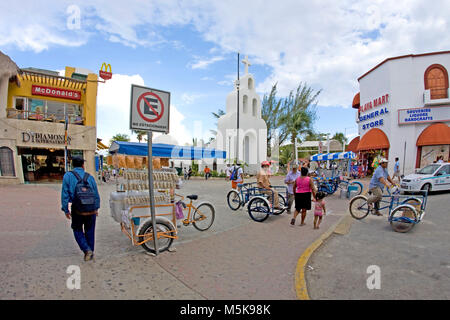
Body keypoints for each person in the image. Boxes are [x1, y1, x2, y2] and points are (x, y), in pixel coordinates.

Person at [61, 156, 100, 261]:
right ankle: (90, 252)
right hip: (91, 209)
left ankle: (86, 249)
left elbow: (65, 194)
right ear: (83, 165)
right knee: (90, 231)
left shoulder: (68, 176)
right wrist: (96, 208)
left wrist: (66, 209)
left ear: (73, 164)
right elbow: (96, 194)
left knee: (77, 229)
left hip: (77, 209)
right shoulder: (90, 177)